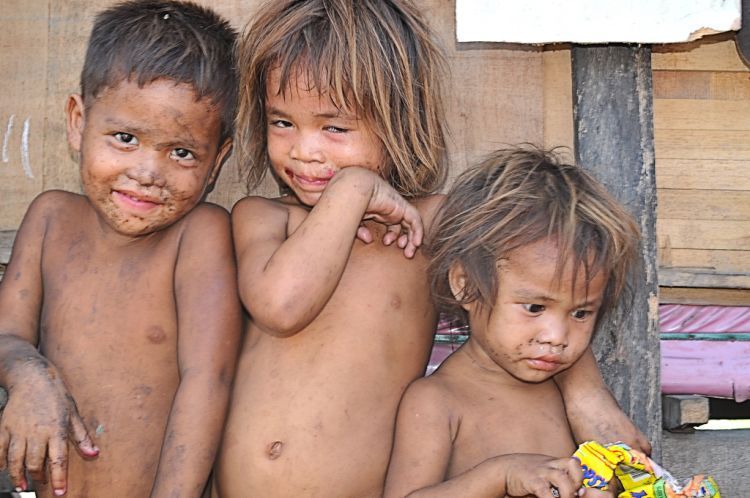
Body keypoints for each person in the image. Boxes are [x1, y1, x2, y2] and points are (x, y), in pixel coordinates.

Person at [213, 1, 649, 497]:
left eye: (333, 127)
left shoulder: (432, 223)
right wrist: (353, 190)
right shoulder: (265, 219)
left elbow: (549, 285)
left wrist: (587, 394)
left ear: (397, 118)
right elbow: (281, 306)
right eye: (282, 122)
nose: (303, 150)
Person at [0, 1, 241, 497]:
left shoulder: (198, 236)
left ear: (217, 160)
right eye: (125, 137)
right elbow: (6, 335)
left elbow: (207, 382)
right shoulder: (50, 220)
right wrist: (28, 374)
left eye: (181, 152)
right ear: (77, 122)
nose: (148, 173)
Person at [383, 146, 642, 498]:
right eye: (535, 307)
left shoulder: (567, 397)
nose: (556, 337)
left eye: (580, 313)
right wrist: (500, 475)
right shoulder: (437, 401)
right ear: (466, 286)